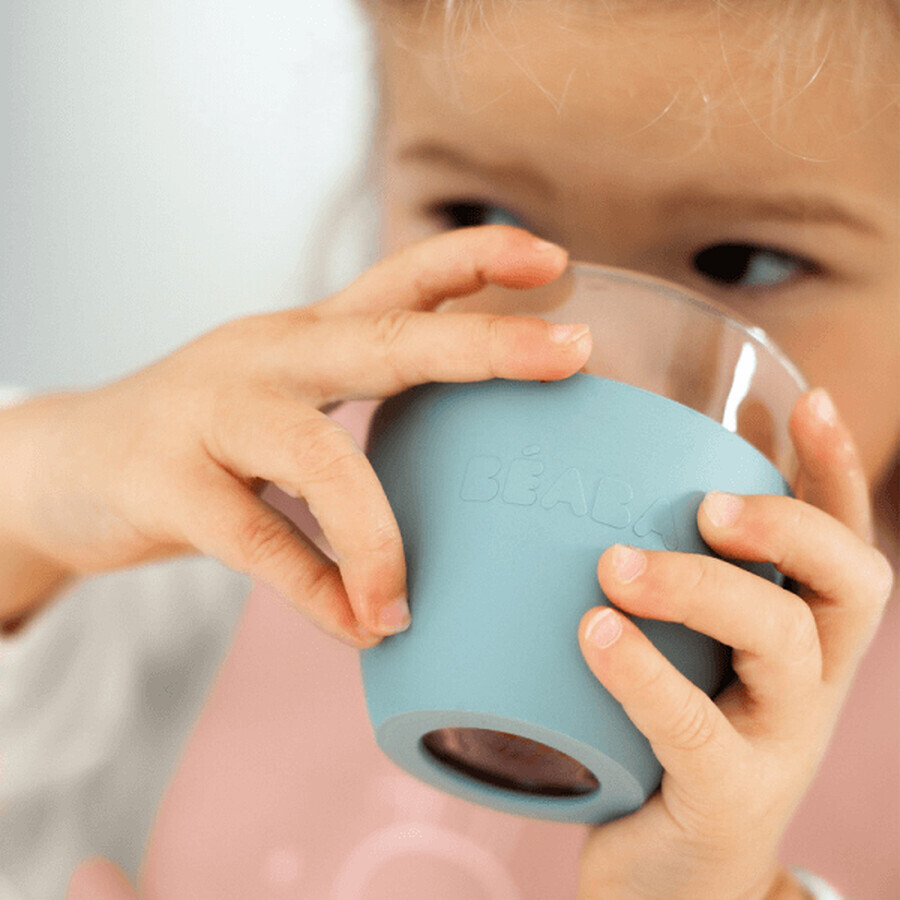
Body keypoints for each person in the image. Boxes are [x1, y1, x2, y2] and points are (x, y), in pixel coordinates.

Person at [2, 0, 896, 897]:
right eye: (480, 212)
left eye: (740, 261)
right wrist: (41, 484)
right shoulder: (255, 523)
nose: (590, 354)